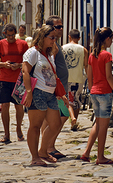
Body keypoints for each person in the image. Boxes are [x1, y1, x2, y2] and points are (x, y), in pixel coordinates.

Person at [22, 25, 69, 167]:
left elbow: (52, 75)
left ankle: (43, 151)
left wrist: (61, 94)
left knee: (55, 124)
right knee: (35, 126)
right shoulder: (33, 52)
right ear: (43, 38)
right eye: (52, 37)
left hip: (50, 94)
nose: (55, 40)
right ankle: (35, 157)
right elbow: (25, 71)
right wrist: (29, 92)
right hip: (38, 93)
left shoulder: (48, 54)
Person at [80, 27, 113, 165]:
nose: (111, 42)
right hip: (104, 93)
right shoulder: (106, 55)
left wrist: (92, 90)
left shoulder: (93, 55)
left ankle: (86, 153)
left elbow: (89, 77)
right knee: (103, 127)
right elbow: (109, 77)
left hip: (95, 93)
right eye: (111, 39)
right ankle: (101, 157)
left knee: (97, 124)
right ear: (107, 39)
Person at [0, 23, 29, 144]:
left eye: (13, 35)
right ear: (5, 34)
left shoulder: (23, 44)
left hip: (18, 80)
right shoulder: (0, 44)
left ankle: (19, 129)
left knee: (19, 106)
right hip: (4, 79)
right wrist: (4, 64)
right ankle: (6, 133)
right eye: (9, 36)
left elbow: (27, 60)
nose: (11, 38)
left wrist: (18, 65)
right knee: (5, 107)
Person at [41, 15, 69, 159]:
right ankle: (49, 146)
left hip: (58, 87)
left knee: (53, 118)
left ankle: (47, 146)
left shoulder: (55, 44)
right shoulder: (52, 46)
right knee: (61, 116)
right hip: (56, 89)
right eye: (58, 27)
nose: (61, 29)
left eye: (61, 26)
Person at [63, 29, 88, 131]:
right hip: (78, 79)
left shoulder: (62, 48)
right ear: (79, 38)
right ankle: (74, 120)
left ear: (69, 37)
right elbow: (86, 66)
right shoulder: (84, 50)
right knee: (77, 101)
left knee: (69, 100)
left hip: (66, 78)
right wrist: (89, 79)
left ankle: (72, 119)